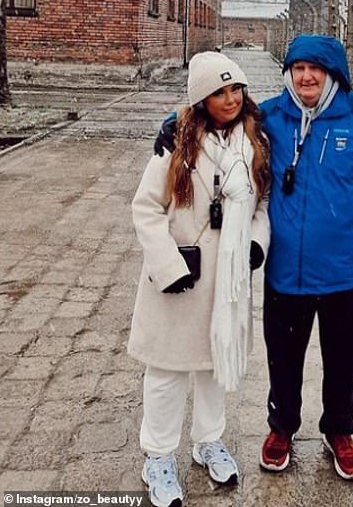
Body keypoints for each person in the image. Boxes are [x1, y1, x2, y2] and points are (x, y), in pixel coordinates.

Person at [154, 35, 353, 481]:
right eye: (298, 68)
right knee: (284, 356)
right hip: (286, 271)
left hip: (348, 272)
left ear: (334, 73)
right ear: (289, 72)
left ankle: (339, 431)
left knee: (343, 356)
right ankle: (282, 428)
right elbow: (215, 115)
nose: (306, 77)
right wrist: (174, 123)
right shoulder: (268, 116)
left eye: (316, 69)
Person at [130, 51, 270, 507]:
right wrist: (167, 266)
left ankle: (208, 441)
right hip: (181, 279)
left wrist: (255, 242)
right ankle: (159, 455)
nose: (230, 99)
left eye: (236, 89)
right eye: (218, 92)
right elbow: (146, 208)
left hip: (225, 284)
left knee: (215, 367)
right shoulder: (176, 145)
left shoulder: (254, 143)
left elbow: (261, 206)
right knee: (168, 372)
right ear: (201, 98)